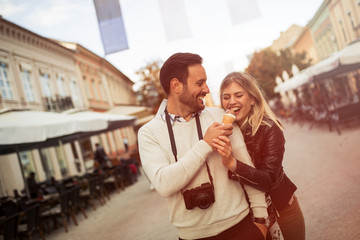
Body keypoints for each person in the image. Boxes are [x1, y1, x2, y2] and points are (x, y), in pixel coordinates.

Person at [138, 53, 269, 240]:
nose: (207, 89)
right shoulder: (148, 133)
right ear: (176, 85)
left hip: (242, 227)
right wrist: (206, 144)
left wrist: (261, 220)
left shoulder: (220, 117)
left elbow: (247, 169)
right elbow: (164, 185)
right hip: (193, 236)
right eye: (200, 83)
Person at [213, 72, 305, 240]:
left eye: (238, 95)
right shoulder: (222, 132)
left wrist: (233, 164)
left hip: (282, 209)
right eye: (226, 97)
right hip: (248, 218)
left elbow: (268, 179)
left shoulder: (269, 129)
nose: (231, 101)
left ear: (253, 99)